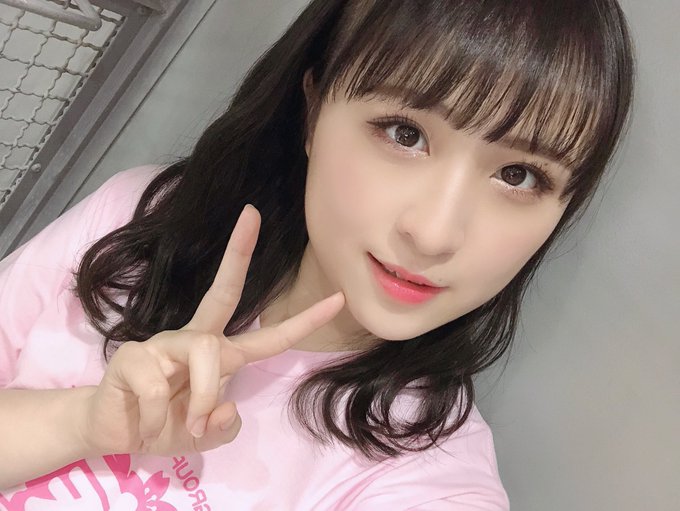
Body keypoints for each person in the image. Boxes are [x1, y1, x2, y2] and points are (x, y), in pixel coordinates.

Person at [0, 0, 634, 508]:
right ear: (312, 112)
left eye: (520, 176)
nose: (435, 233)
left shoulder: (428, 476)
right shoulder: (140, 220)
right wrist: (81, 423)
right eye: (405, 133)